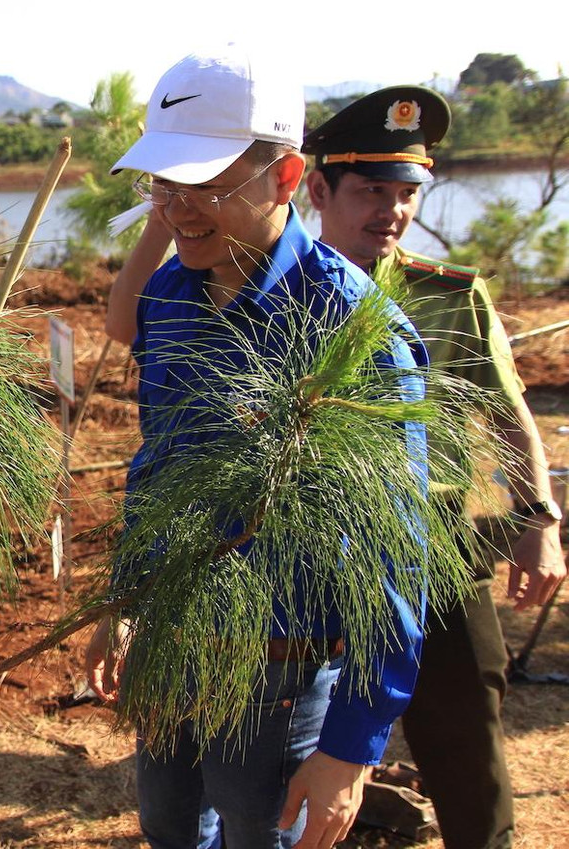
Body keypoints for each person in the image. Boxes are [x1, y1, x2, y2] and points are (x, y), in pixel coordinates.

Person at [82, 46, 428, 849]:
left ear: (283, 177)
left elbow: (398, 553)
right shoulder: (169, 296)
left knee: (257, 827)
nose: (179, 209)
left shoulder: (355, 332)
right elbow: (159, 463)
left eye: (206, 183)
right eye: (164, 185)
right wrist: (128, 601)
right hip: (175, 635)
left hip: (285, 668)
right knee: (169, 823)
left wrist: (351, 747)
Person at [303, 86, 566, 849]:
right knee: (302, 741)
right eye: (371, 191)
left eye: (406, 192)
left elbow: (510, 414)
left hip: (435, 546)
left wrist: (539, 519)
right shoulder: (276, 294)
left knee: (463, 727)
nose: (391, 209)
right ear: (319, 190)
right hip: (315, 547)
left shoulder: (451, 297)